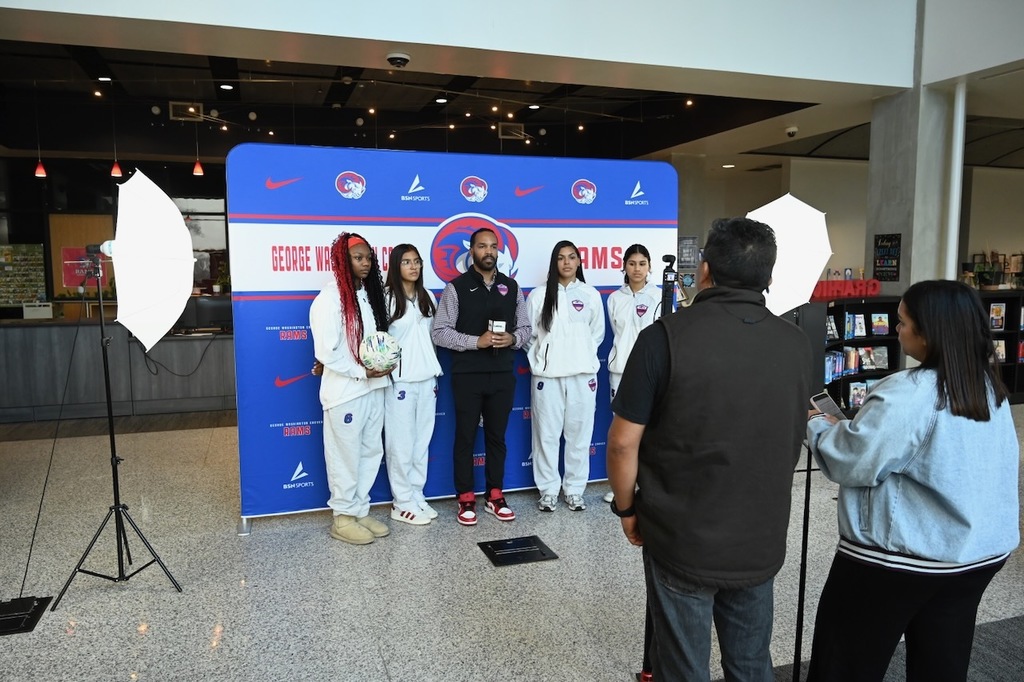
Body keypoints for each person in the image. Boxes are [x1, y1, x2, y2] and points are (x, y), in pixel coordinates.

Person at [606, 217, 812, 681]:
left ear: (704, 271)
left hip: (680, 534)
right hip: (759, 536)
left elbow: (621, 443)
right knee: (751, 665)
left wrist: (626, 509)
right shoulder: (797, 344)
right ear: (769, 277)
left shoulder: (664, 337)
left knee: (682, 668)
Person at [805, 280, 1020, 682]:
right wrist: (855, 427)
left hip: (899, 559)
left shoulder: (908, 392)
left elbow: (851, 461)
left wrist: (818, 425)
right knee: (941, 661)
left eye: (902, 323)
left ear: (928, 332)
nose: (897, 330)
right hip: (976, 554)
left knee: (845, 661)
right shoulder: (989, 387)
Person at [431, 227, 531, 526]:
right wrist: (478, 341)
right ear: (471, 251)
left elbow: (526, 330)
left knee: (496, 437)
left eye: (493, 246)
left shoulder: (511, 288)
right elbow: (440, 332)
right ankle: (465, 498)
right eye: (482, 246)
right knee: (464, 437)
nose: (489, 251)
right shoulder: (455, 287)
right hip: (468, 375)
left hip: (502, 374)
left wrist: (512, 339)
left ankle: (495, 495)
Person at [309, 232, 394, 545]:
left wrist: (383, 365)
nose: (365, 263)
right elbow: (327, 352)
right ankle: (342, 518)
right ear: (343, 261)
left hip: (374, 388)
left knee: (371, 450)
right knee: (344, 454)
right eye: (358, 257)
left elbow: (374, 344)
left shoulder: (368, 296)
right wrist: (362, 372)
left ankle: (359, 509)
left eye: (368, 258)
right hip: (346, 393)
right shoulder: (329, 300)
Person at [525, 240, 604, 512]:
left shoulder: (591, 294)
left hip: (582, 375)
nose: (567, 262)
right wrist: (544, 358)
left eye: (572, 257)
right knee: (546, 435)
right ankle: (548, 490)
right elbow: (529, 337)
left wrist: (580, 355)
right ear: (554, 262)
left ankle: (574, 490)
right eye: (561, 258)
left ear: (579, 262)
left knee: (579, 435)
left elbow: (597, 334)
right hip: (549, 376)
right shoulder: (538, 295)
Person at [382, 244, 443, 527]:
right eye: (407, 262)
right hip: (400, 382)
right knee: (401, 443)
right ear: (396, 266)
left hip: (427, 378)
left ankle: (416, 494)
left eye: (417, 261)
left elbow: (434, 337)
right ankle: (401, 501)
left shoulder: (427, 296)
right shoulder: (385, 298)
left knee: (421, 442)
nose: (414, 266)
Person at [604, 243, 661, 504]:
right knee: (623, 431)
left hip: (651, 372)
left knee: (653, 429)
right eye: (632, 263)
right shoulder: (615, 298)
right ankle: (621, 486)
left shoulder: (660, 296)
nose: (637, 269)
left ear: (649, 267)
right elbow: (616, 332)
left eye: (642, 263)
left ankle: (648, 484)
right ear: (623, 266)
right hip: (620, 371)